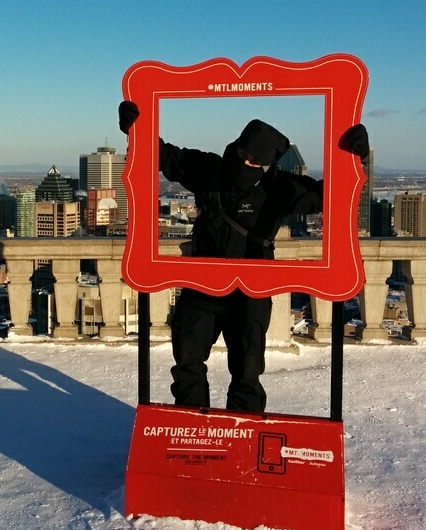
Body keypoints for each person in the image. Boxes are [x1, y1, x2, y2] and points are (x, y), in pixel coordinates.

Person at [118, 100, 368, 413]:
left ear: (268, 164)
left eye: (256, 162)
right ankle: (192, 430)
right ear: (235, 148)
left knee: (247, 372)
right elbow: (166, 155)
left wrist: (356, 160)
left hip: (251, 291)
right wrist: (135, 129)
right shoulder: (210, 170)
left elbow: (331, 195)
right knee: (187, 363)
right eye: (243, 156)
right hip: (201, 285)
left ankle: (244, 435)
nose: (247, 164)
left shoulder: (280, 188)